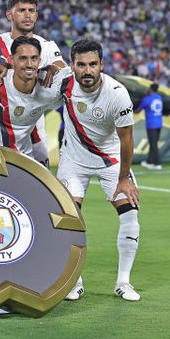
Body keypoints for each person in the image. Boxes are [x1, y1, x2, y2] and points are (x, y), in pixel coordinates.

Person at [56, 39, 141, 302]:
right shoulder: (62, 83)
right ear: (72, 65)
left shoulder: (117, 93)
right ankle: (74, 281)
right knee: (67, 218)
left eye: (93, 64)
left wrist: (124, 179)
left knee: (130, 214)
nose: (87, 70)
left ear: (102, 65)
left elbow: (127, 138)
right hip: (74, 160)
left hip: (110, 160)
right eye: (81, 65)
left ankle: (123, 282)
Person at [0, 0, 66, 167]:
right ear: (9, 14)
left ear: (37, 15)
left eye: (31, 10)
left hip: (33, 135)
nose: (27, 15)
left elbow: (63, 70)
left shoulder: (47, 47)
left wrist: (54, 68)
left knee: (38, 182)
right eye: (21, 10)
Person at [0, 36, 69, 155]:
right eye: (23, 58)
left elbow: (76, 79)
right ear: (11, 60)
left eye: (34, 58)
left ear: (40, 61)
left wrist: (56, 67)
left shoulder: (49, 87)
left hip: (21, 157)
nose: (29, 64)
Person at [135, 83, 163, 170]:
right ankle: (149, 162)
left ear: (150, 89)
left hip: (151, 124)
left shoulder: (147, 99)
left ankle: (157, 163)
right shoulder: (159, 98)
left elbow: (138, 110)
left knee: (153, 144)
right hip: (159, 123)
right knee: (153, 143)